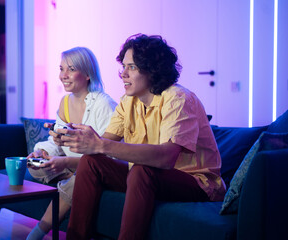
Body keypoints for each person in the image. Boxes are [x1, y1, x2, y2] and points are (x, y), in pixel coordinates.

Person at [57, 34, 226, 240]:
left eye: (132, 67)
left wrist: (101, 144)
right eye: (124, 67)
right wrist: (74, 139)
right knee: (92, 162)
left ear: (153, 71)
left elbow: (166, 158)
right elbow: (102, 144)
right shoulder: (128, 102)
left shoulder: (178, 99)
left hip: (195, 183)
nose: (123, 74)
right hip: (148, 177)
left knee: (141, 169)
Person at [26, 47, 117, 240]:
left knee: (77, 178)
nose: (63, 75)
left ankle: (37, 232)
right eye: (61, 69)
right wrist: (42, 151)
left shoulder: (103, 104)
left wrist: (66, 162)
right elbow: (56, 141)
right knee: (33, 165)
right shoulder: (65, 102)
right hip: (70, 165)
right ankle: (69, 175)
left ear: (87, 74)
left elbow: (108, 155)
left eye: (71, 69)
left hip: (95, 167)